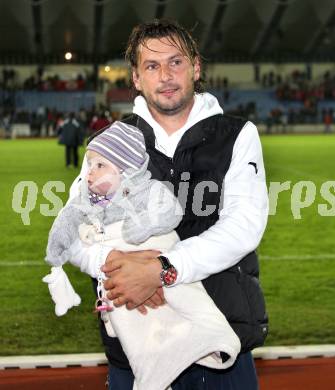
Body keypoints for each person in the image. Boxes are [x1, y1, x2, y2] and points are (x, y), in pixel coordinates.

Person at [69, 19, 269, 390]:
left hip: (222, 340)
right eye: (152, 65)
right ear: (135, 77)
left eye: (175, 62)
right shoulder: (110, 142)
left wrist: (162, 270)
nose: (165, 75)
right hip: (140, 344)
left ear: (195, 67)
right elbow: (77, 232)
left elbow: (244, 225)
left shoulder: (238, 135)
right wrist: (122, 270)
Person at [43, 122, 241, 390]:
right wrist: (88, 259)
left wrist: (146, 243)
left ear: (126, 170)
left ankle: (215, 338)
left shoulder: (146, 189)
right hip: (118, 273)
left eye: (99, 166)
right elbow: (68, 223)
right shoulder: (86, 196)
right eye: (90, 165)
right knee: (129, 321)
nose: (90, 172)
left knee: (187, 296)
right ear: (135, 77)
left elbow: (169, 210)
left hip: (163, 254)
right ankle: (151, 371)